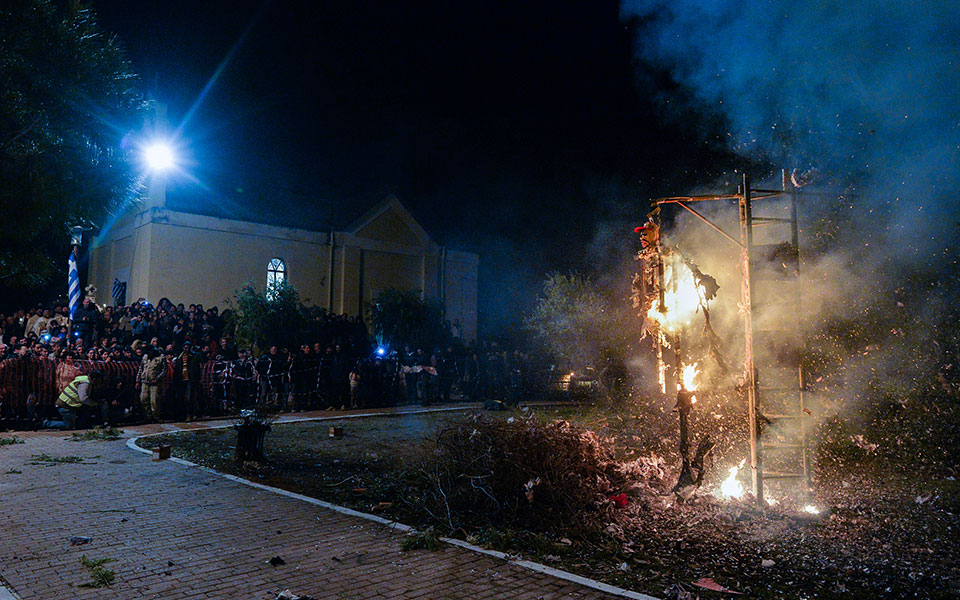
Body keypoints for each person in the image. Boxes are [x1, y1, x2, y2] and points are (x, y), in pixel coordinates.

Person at [137, 345, 166, 421]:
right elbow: (140, 369)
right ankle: (148, 417)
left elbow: (164, 370)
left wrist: (157, 378)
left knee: (154, 401)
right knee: (143, 399)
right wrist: (138, 380)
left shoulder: (161, 357)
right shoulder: (145, 357)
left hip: (155, 383)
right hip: (145, 381)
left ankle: (156, 417)